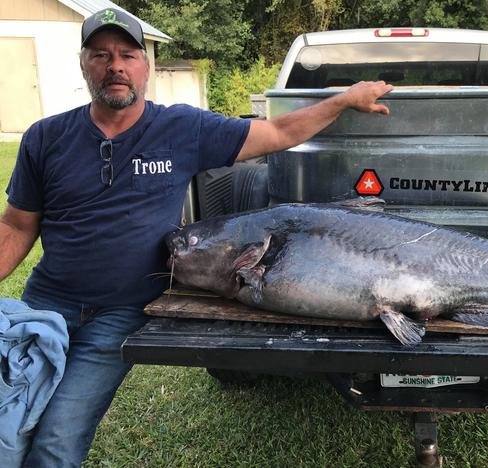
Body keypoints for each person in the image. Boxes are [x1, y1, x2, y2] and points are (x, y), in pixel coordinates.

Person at [0, 8, 392, 467]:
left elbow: (278, 130)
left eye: (128, 54)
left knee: (55, 444)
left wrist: (343, 100)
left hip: (119, 314)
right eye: (101, 55)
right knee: (8, 428)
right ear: (84, 63)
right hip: (44, 305)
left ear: (145, 66)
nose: (116, 66)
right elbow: (16, 226)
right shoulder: (46, 138)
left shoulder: (182, 128)